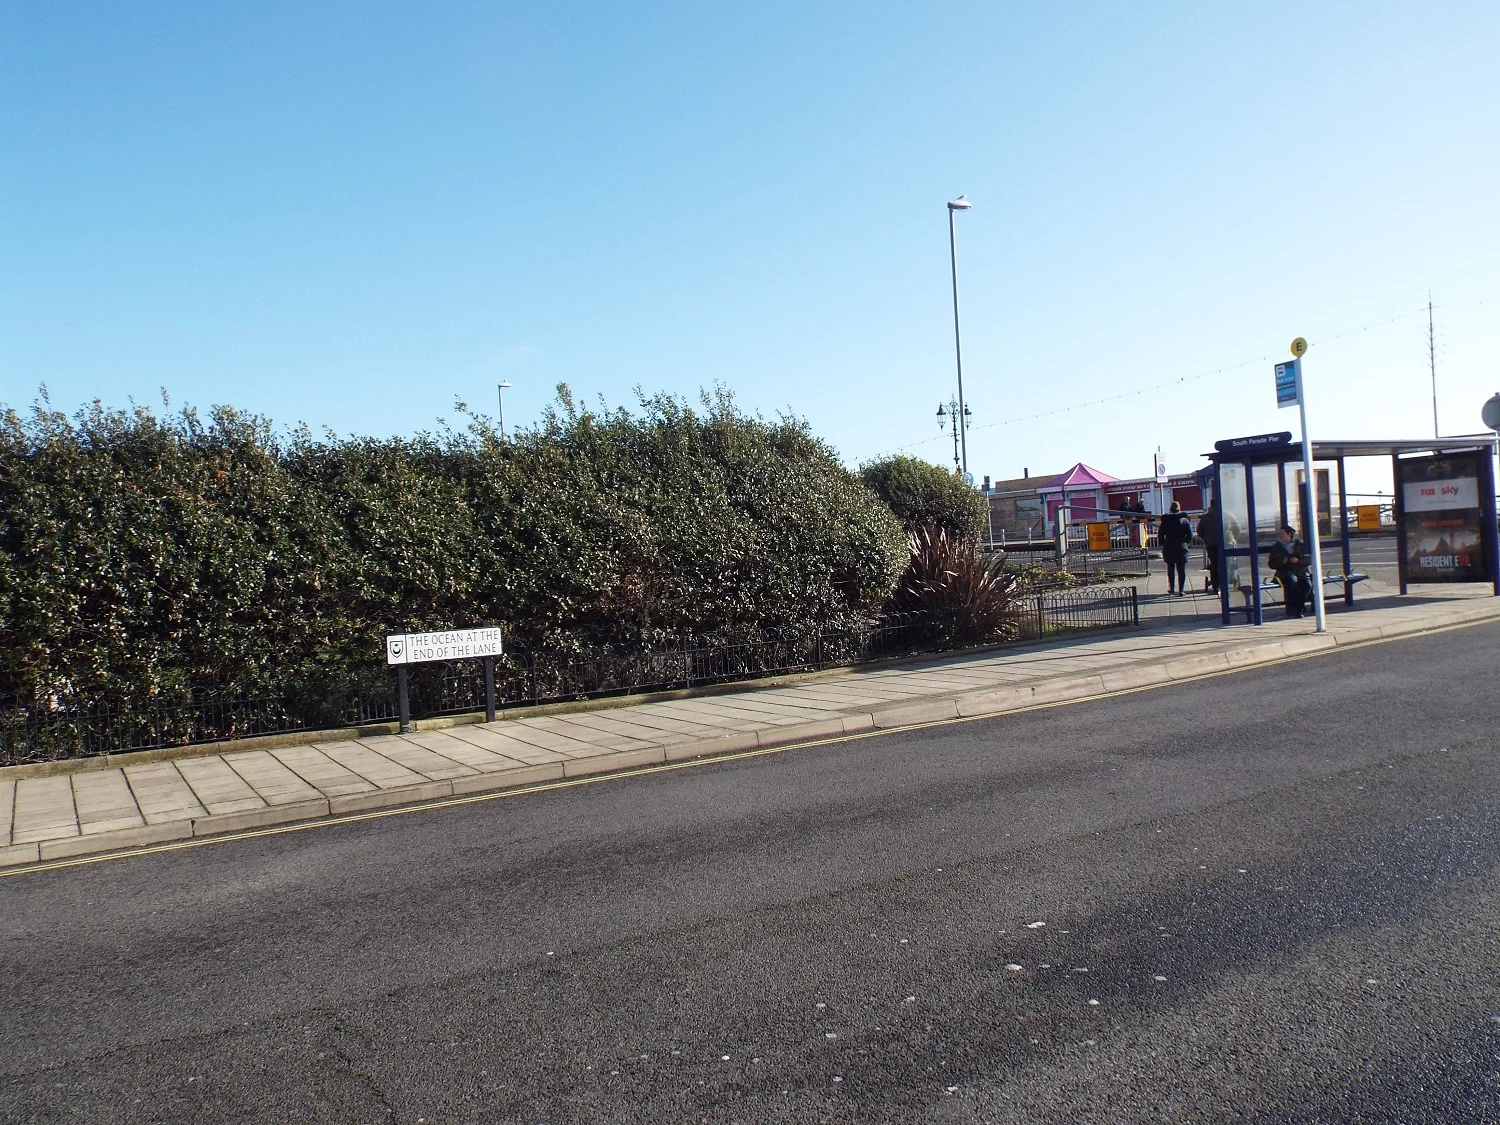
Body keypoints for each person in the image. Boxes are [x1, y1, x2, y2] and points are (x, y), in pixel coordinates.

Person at [1268, 524, 1311, 619]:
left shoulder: (1299, 545)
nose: (1281, 536)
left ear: (1289, 534)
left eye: (1283, 534)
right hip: (1284, 573)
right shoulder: (1276, 547)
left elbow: (1308, 560)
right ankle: (1297, 610)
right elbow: (1271, 564)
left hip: (1300, 572)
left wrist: (1298, 561)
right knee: (1292, 582)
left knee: (1307, 585)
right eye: (1280, 534)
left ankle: (1299, 607)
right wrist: (1282, 562)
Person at [1158, 500, 1194, 596]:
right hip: (1181, 546)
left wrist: (1163, 543)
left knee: (1170, 568)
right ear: (1179, 509)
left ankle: (1171, 588)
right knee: (1181, 569)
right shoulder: (1184, 520)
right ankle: (1181, 590)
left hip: (1169, 545)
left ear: (1170, 509)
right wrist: (1184, 541)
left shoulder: (1165, 520)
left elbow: (1160, 534)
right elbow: (1190, 535)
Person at [1197, 499, 1222, 595]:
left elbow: (1199, 532)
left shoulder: (1205, 517)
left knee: (1214, 564)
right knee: (1225, 563)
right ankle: (1226, 582)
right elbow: (1237, 528)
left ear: (1211, 506)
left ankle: (1215, 586)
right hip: (1224, 544)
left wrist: (1206, 538)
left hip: (1211, 544)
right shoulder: (1225, 515)